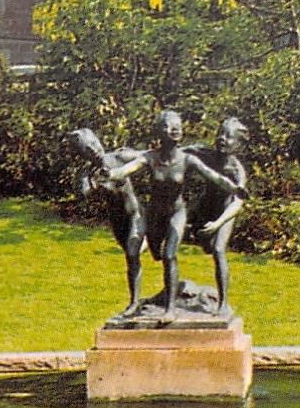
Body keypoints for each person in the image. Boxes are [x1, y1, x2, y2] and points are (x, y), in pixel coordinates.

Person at [104, 109, 245, 318]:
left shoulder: (197, 161)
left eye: (177, 124)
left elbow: (215, 177)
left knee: (176, 254)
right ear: (159, 132)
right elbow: (127, 168)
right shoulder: (154, 157)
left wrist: (235, 190)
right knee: (152, 253)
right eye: (169, 126)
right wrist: (110, 172)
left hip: (186, 213)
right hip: (156, 214)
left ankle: (173, 310)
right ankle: (134, 303)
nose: (175, 129)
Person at [70, 128, 145, 315]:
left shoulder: (119, 156)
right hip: (117, 221)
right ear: (82, 154)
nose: (94, 150)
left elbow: (148, 157)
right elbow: (83, 193)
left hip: (135, 214)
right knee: (131, 258)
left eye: (94, 144)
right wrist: (95, 182)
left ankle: (160, 292)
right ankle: (135, 301)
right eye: (87, 149)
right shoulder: (88, 173)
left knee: (134, 252)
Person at [190, 117, 248, 314]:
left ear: (238, 144)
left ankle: (223, 303)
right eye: (220, 134)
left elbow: (238, 202)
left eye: (229, 137)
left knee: (218, 249)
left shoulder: (236, 170)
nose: (222, 139)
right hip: (205, 208)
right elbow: (173, 154)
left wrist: (218, 224)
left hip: (225, 212)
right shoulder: (204, 154)